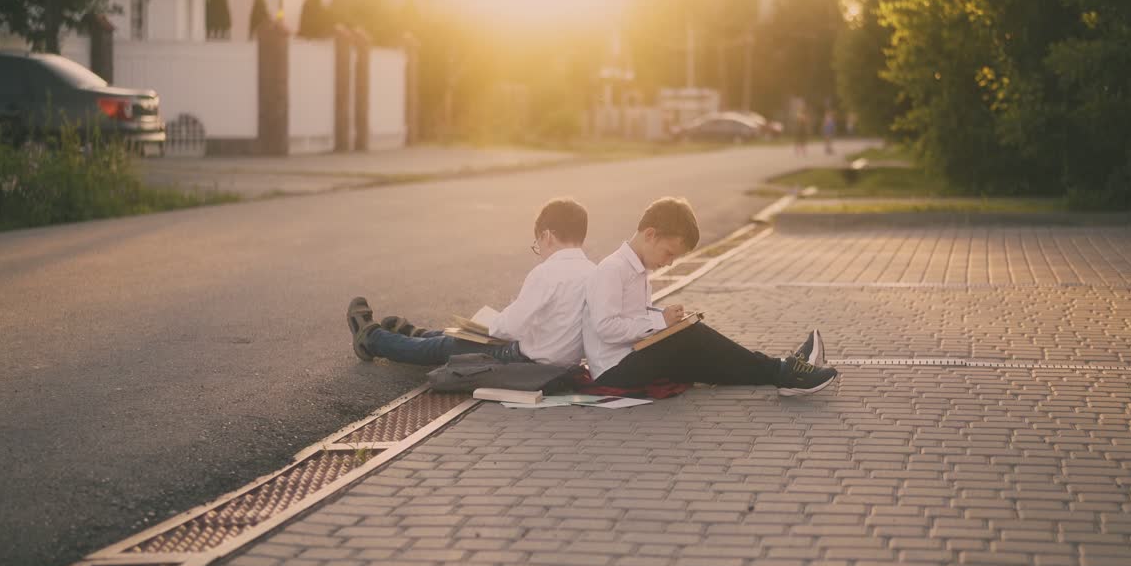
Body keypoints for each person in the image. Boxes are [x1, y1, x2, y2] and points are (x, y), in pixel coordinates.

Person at [583, 197, 838, 395]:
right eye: (669, 253)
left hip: (632, 358)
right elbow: (606, 327)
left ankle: (785, 369)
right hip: (613, 370)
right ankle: (785, 371)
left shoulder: (636, 270)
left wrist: (664, 317)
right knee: (692, 338)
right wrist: (662, 323)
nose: (669, 263)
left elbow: (633, 316)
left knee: (708, 357)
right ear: (650, 235)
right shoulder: (612, 269)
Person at [346, 197, 595, 368]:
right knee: (462, 336)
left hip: (525, 357)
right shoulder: (594, 273)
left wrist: (489, 325)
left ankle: (371, 339)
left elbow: (509, 327)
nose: (539, 250)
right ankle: (415, 334)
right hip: (557, 358)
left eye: (537, 244)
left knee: (448, 345)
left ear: (547, 236)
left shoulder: (547, 273)